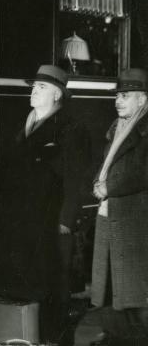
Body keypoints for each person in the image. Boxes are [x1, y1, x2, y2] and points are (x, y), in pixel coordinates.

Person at [0, 65, 91, 345]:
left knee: (53, 281)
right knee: (30, 278)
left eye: (42, 87)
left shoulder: (71, 129)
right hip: (24, 218)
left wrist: (66, 220)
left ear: (58, 95)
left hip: (51, 219)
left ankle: (55, 338)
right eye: (33, 86)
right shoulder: (27, 123)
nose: (33, 91)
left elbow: (75, 179)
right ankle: (32, 337)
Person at [90, 68, 148, 345]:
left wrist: (109, 187)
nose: (118, 101)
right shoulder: (117, 127)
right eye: (117, 96)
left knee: (133, 286)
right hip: (111, 211)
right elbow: (108, 165)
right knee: (111, 281)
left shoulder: (144, 130)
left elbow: (140, 172)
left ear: (142, 99)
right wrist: (99, 182)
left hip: (133, 215)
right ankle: (116, 336)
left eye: (125, 96)